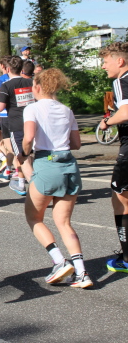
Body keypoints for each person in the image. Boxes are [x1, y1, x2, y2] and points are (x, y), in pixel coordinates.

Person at [21, 68, 92, 288]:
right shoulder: (66, 110)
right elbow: (76, 144)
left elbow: (28, 138)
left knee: (34, 217)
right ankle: (82, 272)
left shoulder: (32, 108)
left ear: (37, 87)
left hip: (46, 163)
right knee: (64, 222)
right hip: (69, 165)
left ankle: (59, 261)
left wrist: (23, 154)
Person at [98, 41, 128, 274]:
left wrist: (107, 121)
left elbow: (126, 111)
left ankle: (126, 258)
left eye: (106, 61)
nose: (103, 66)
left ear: (120, 61)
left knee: (120, 199)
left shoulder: (121, 81)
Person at [0, 56, 34, 196]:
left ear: (8, 69)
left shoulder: (6, 85)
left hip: (17, 125)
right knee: (32, 156)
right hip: (34, 122)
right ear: (21, 68)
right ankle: (24, 183)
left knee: (22, 158)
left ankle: (38, 190)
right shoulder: (31, 82)